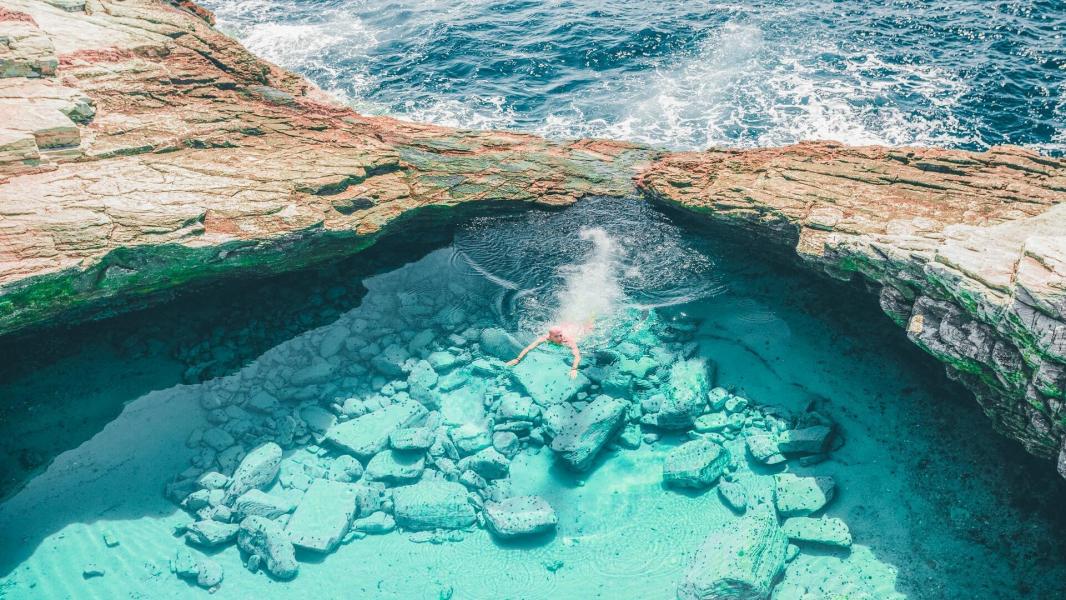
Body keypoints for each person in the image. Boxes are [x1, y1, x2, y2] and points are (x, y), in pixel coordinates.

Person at [507, 324, 585, 379]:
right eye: (556, 336)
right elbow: (529, 348)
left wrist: (574, 369)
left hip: (576, 334)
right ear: (550, 336)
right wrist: (518, 359)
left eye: (560, 335)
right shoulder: (544, 339)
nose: (559, 338)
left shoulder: (567, 341)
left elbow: (577, 355)